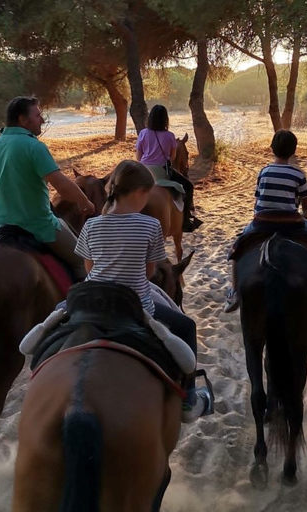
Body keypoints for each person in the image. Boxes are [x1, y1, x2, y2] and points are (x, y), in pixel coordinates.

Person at [74, 160, 212, 422]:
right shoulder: (150, 227)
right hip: (134, 304)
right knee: (186, 327)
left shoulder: (91, 226)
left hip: (91, 302)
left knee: (58, 316)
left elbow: (88, 267)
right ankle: (189, 400)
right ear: (138, 192)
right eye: (147, 194)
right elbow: (149, 273)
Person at [224, 130, 307, 313]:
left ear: (272, 149)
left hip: (261, 222)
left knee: (237, 247)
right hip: (291, 223)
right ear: (293, 151)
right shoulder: (298, 174)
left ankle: (234, 291)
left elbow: (258, 200)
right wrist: (304, 217)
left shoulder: (264, 171)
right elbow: (306, 205)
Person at [0, 96, 95, 280]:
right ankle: (84, 305)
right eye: (38, 115)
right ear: (23, 120)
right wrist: (84, 201)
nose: (42, 119)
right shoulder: (34, 147)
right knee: (83, 262)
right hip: (37, 226)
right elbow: (62, 185)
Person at [135, 104, 202, 232]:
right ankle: (186, 219)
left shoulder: (143, 133)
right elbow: (172, 157)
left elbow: (138, 156)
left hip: (143, 171)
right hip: (161, 171)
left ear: (150, 118)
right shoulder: (170, 136)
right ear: (165, 119)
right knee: (188, 186)